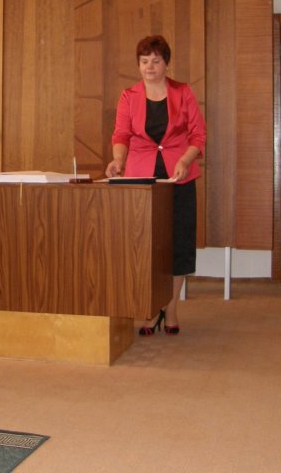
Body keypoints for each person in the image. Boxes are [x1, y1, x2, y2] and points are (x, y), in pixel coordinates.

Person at [105, 35, 207, 336]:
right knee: (145, 247)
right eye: (144, 61)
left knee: (178, 246)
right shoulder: (128, 96)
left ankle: (171, 308)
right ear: (138, 65)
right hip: (141, 180)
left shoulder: (183, 92)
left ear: (166, 64)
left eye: (156, 61)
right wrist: (118, 161)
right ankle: (150, 309)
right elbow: (121, 134)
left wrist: (185, 160)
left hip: (179, 178)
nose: (149, 67)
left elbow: (198, 135)